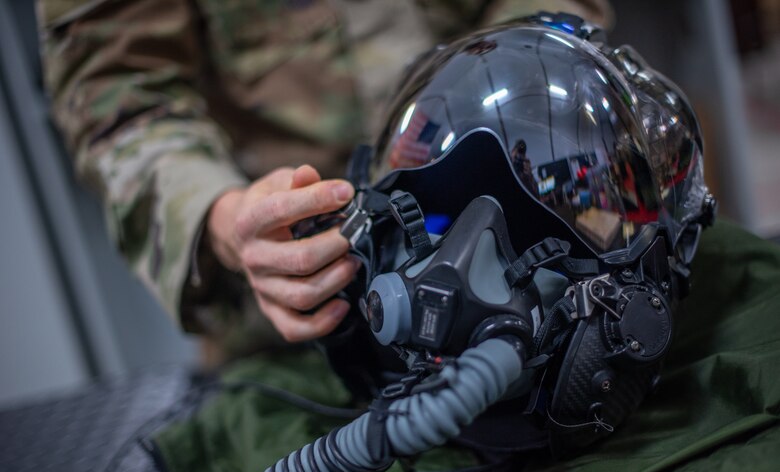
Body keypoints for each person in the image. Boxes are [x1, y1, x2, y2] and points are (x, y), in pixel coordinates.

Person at [37, 0, 612, 362]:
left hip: (548, 253)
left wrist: (533, 85)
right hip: (296, 331)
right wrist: (221, 218)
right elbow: (119, 100)